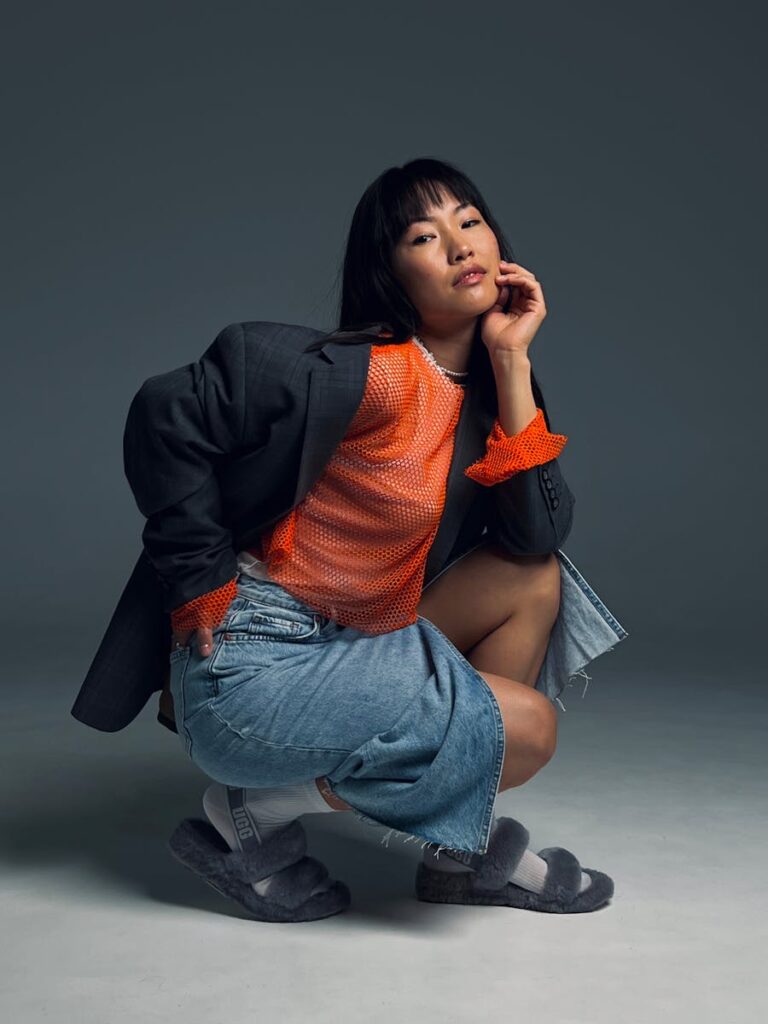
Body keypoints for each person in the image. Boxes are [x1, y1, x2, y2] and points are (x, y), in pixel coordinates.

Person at [92, 157, 629, 921]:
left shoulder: (480, 397)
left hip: (354, 641)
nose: (458, 244)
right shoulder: (361, 373)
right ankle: (254, 812)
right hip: (252, 664)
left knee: (531, 576)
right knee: (529, 729)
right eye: (424, 234)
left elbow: (537, 533)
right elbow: (162, 413)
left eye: (468, 221)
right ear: (390, 273)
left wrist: (512, 359)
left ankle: (456, 854)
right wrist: (197, 578)